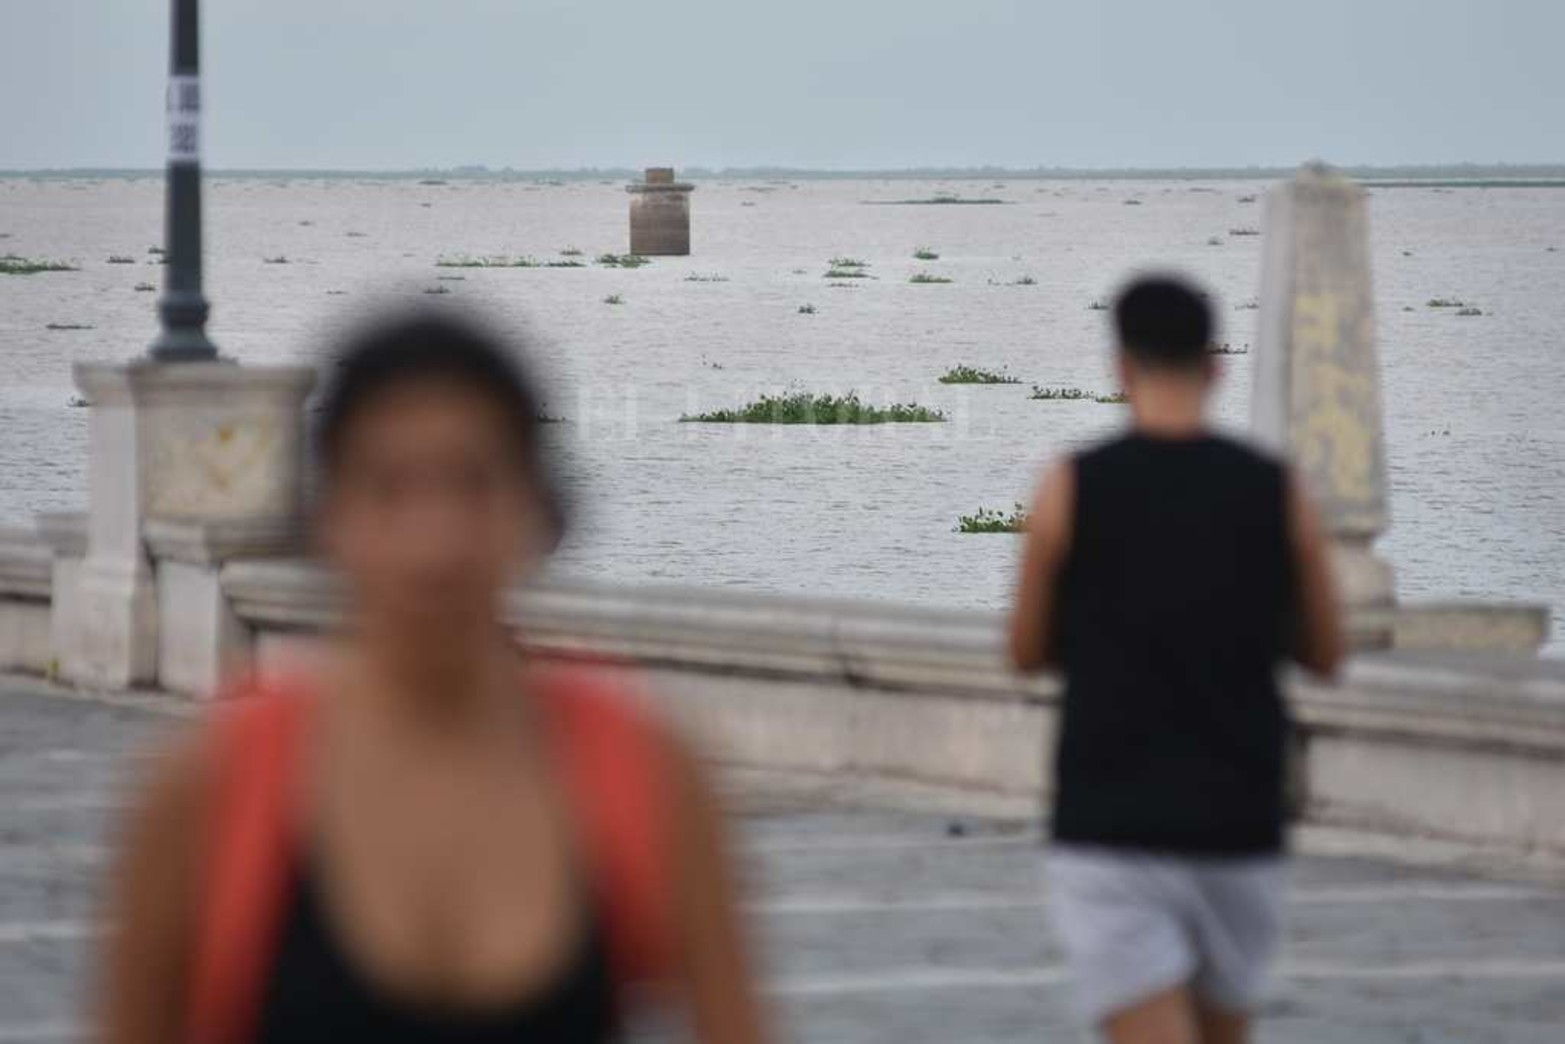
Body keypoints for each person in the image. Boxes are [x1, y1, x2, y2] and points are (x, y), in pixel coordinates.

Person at [100, 312, 768, 1044]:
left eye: (472, 484)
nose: (434, 541)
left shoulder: (644, 774)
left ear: (536, 508)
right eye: (389, 488)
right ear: (328, 516)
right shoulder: (211, 785)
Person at [1009, 275, 1343, 1044]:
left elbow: (1024, 650)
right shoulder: (1275, 489)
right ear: (1215, 365)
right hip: (1240, 815)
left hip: (1108, 817)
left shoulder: (1071, 487)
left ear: (1119, 367)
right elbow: (1324, 651)